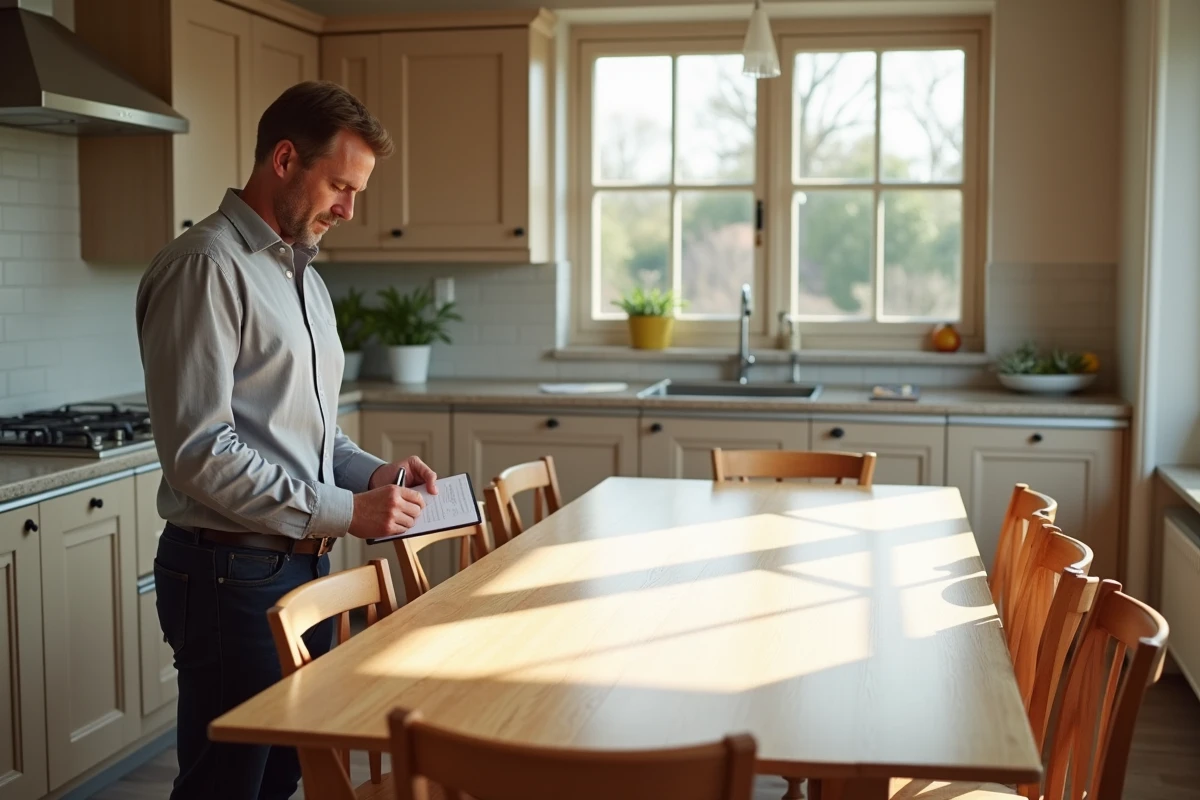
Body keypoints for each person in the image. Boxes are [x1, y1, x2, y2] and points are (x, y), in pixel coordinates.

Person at [136, 81, 436, 800]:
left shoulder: (303, 275)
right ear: (283, 160)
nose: (348, 209)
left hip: (296, 570)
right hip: (226, 575)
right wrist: (345, 514)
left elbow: (313, 431)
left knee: (282, 776)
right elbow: (201, 452)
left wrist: (371, 475)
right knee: (226, 786)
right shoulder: (206, 266)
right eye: (339, 185)